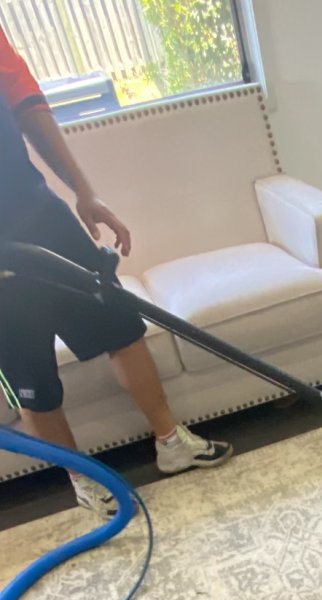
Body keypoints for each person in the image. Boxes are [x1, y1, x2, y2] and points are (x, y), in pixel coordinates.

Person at [0, 29, 233, 517]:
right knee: (32, 380)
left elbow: (26, 104)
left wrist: (84, 191)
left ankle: (171, 442)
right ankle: (85, 480)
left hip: (38, 215)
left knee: (122, 327)